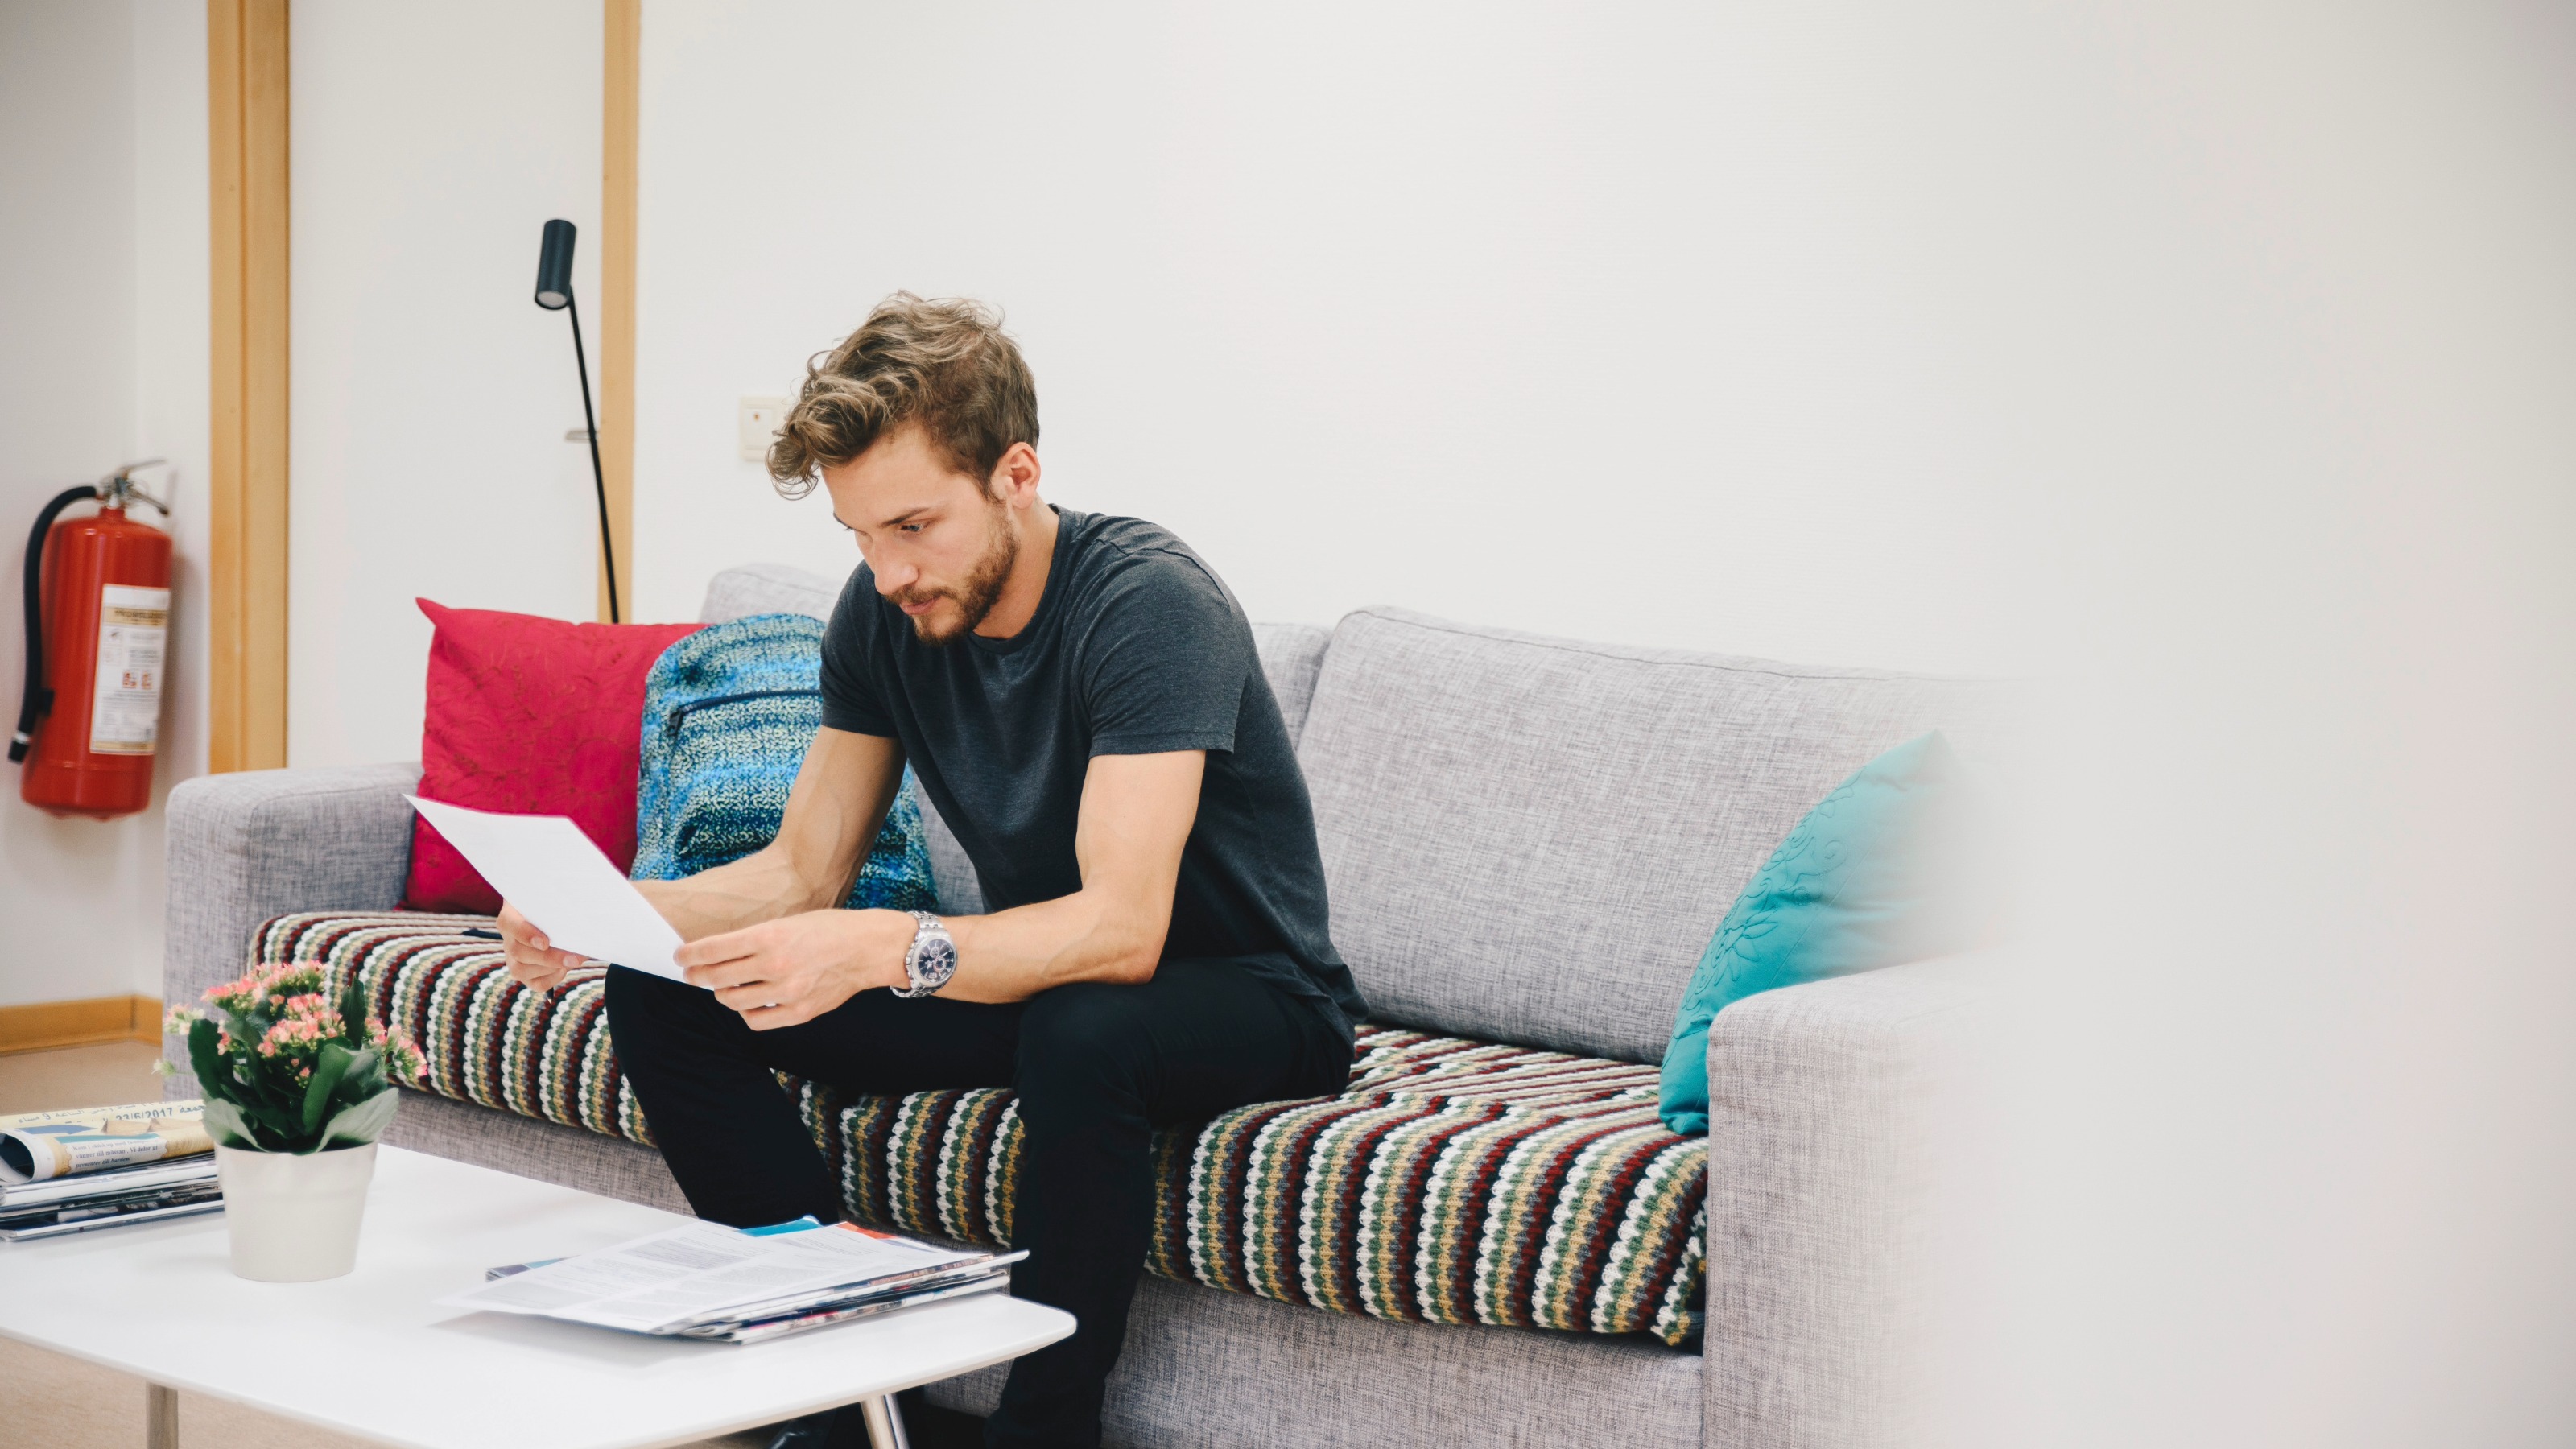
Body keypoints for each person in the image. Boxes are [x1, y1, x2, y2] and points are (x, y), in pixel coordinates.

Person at [496, 293, 1366, 1449]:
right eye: (860, 535)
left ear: (1015, 472)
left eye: (913, 525)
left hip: (1251, 996)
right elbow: (800, 872)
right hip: (1038, 986)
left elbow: (1122, 933)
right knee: (668, 986)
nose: (889, 569)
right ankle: (843, 1400)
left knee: (1085, 1028)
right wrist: (611, 915)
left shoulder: (1149, 606)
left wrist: (887, 946)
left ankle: (1046, 1433)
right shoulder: (882, 616)